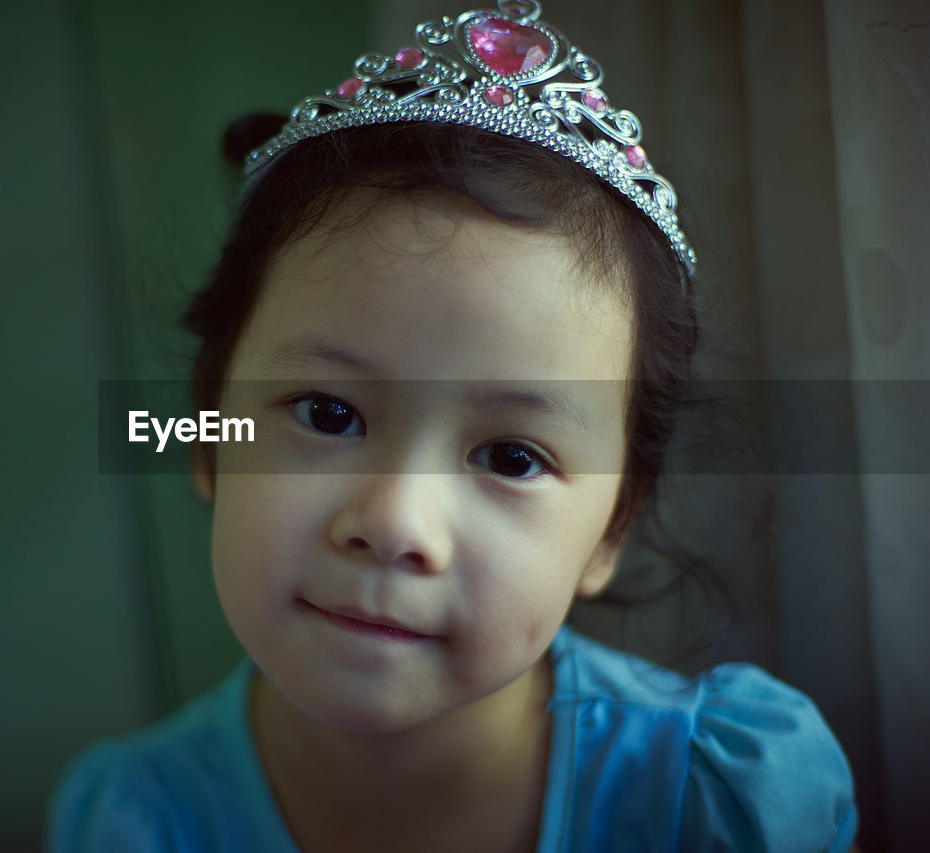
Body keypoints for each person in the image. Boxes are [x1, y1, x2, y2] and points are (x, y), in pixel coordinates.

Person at [51, 2, 858, 850]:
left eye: (512, 456)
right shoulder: (134, 820)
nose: (396, 523)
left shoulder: (712, 805)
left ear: (611, 530)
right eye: (329, 413)